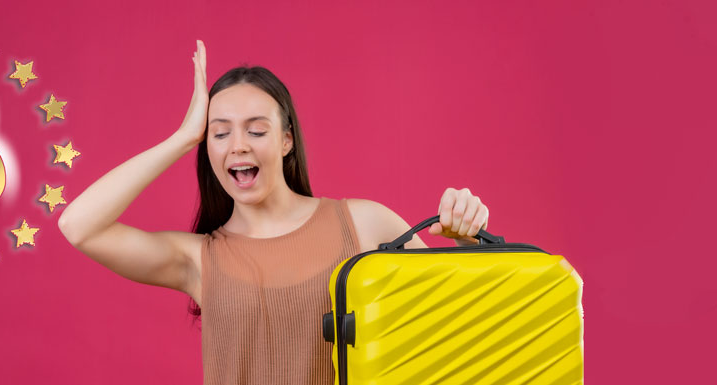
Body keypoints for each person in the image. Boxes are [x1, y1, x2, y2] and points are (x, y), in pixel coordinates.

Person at [57, 40, 490, 385]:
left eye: (257, 130)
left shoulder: (362, 224)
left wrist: (465, 239)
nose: (238, 145)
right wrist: (183, 137)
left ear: (286, 141)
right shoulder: (198, 260)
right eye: (220, 132)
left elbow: (456, 326)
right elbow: (79, 226)